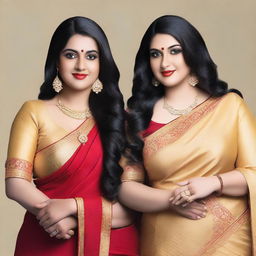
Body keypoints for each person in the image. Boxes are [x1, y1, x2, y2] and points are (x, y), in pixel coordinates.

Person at [119, 15, 256, 255]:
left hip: (231, 243)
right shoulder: (137, 117)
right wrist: (171, 200)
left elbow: (254, 172)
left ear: (192, 53)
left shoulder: (229, 106)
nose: (165, 62)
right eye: (155, 54)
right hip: (165, 243)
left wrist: (214, 183)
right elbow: (125, 187)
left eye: (175, 51)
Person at [5, 16, 139, 256]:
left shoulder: (123, 121)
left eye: (90, 56)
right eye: (70, 55)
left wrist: (72, 215)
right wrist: (53, 217)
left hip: (112, 243)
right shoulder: (34, 112)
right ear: (56, 61)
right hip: (45, 238)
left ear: (101, 64)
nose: (80, 65)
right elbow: (16, 183)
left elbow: (131, 206)